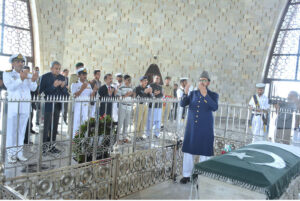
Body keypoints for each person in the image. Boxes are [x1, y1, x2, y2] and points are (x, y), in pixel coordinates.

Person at [179, 71, 219, 184]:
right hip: (192, 128)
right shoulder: (193, 94)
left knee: (204, 152)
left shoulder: (213, 95)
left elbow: (215, 107)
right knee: (188, 151)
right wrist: (185, 93)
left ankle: (202, 176)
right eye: (200, 80)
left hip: (205, 128)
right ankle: (187, 175)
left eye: (204, 80)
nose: (202, 82)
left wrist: (205, 94)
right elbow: (182, 104)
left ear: (209, 83)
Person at [3, 54, 38, 163]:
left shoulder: (28, 74)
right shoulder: (7, 74)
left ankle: (19, 153)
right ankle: (11, 154)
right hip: (14, 107)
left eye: (22, 61)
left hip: (25, 107)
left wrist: (33, 80)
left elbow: (33, 88)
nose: (20, 63)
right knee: (12, 131)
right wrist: (20, 79)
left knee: (21, 131)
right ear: (12, 63)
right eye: (17, 61)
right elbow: (10, 87)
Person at [39, 61, 69, 154]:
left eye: (59, 68)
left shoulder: (63, 78)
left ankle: (52, 146)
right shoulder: (44, 77)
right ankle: (44, 147)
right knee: (46, 126)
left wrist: (64, 87)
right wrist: (53, 86)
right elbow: (41, 92)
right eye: (56, 68)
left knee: (54, 127)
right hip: (48, 105)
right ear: (51, 68)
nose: (58, 70)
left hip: (57, 106)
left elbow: (66, 95)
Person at [71, 68, 98, 137]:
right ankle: (75, 138)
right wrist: (82, 88)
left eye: (85, 74)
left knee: (85, 122)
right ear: (79, 75)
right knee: (77, 122)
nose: (85, 76)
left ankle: (84, 138)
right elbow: (74, 96)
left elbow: (91, 97)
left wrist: (94, 91)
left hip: (86, 106)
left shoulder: (88, 85)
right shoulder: (74, 85)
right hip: (78, 105)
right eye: (83, 74)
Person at [133, 76, 152, 140]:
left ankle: (140, 135)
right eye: (145, 80)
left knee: (143, 121)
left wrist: (150, 93)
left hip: (145, 105)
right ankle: (135, 136)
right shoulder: (137, 88)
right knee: (137, 121)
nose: (146, 82)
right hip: (139, 105)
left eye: (147, 81)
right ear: (141, 81)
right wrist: (144, 92)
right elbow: (136, 98)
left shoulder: (147, 88)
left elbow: (150, 98)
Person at [116, 75, 133, 143]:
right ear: (124, 80)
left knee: (126, 123)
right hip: (122, 106)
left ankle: (124, 137)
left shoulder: (131, 88)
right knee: (120, 123)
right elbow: (118, 98)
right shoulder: (121, 87)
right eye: (128, 80)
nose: (129, 81)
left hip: (129, 107)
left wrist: (132, 95)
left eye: (130, 80)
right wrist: (126, 95)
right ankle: (118, 138)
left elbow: (132, 97)